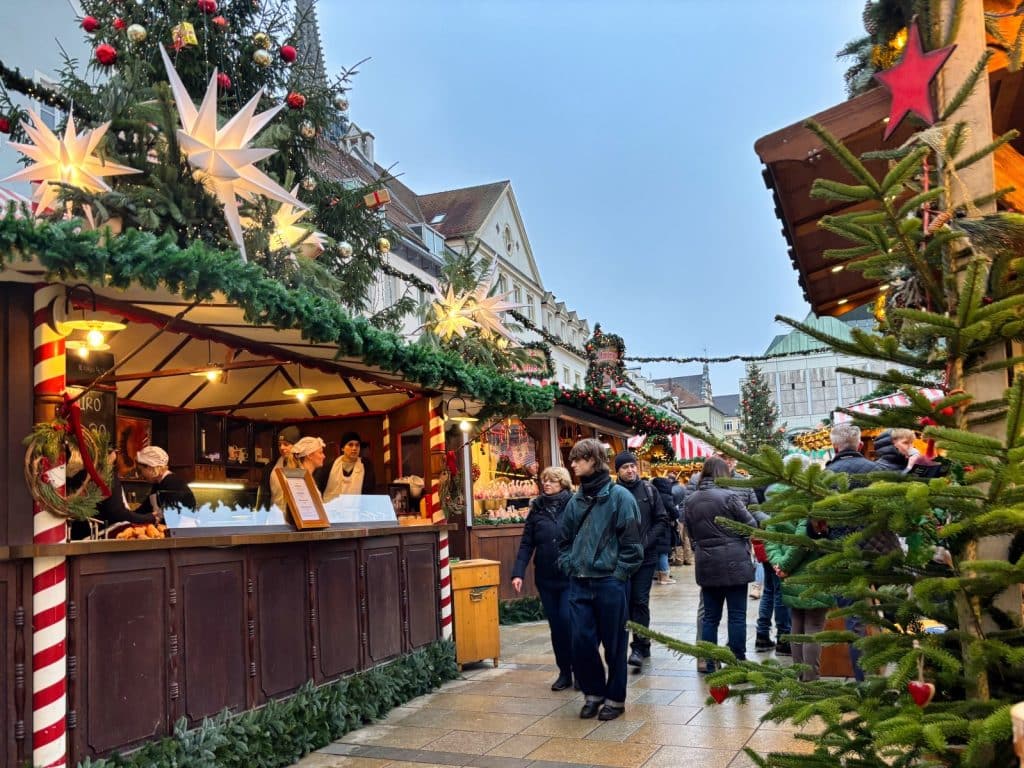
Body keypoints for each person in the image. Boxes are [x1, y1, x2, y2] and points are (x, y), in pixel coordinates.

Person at [558, 438, 642, 722]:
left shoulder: (620, 498)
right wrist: (569, 564)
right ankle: (593, 693)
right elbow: (563, 539)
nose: (572, 464)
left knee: (616, 644)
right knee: (581, 642)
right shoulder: (575, 500)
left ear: (593, 460)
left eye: (577, 459)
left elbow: (632, 546)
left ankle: (615, 699)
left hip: (610, 583)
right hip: (579, 582)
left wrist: (618, 575)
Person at [825, 423, 888, 681]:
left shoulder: (827, 476)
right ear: (860, 445)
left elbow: (817, 518)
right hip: (878, 552)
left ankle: (865, 682)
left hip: (842, 556)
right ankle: (905, 666)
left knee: (854, 621)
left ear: (834, 446)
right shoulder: (877, 471)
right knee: (890, 609)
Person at [684, 455, 758, 672]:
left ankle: (709, 661)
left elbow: (689, 532)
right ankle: (737, 661)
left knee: (710, 617)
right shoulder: (730, 496)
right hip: (735, 560)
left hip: (706, 562)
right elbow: (750, 524)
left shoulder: (691, 500)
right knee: (736, 615)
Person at [511, 466, 575, 691]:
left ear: (563, 483)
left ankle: (581, 667)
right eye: (544, 480)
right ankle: (564, 672)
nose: (546, 484)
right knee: (557, 627)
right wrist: (518, 572)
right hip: (546, 578)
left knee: (569, 622)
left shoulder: (574, 504)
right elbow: (527, 542)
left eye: (552, 481)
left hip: (570, 576)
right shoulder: (537, 509)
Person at [613, 451, 671, 670]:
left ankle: (638, 646)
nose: (630, 470)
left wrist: (645, 541)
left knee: (639, 600)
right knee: (623, 603)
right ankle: (642, 643)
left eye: (632, 466)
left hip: (645, 558)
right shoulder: (613, 493)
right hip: (620, 559)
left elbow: (662, 519)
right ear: (617, 471)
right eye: (625, 467)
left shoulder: (649, 489)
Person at [768, 515, 834, 682]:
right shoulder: (808, 502)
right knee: (814, 627)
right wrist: (784, 565)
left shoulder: (775, 498)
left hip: (790, 576)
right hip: (814, 574)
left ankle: (800, 674)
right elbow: (802, 539)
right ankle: (811, 678)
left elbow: (770, 537)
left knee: (797, 624)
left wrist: (778, 564)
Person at [68, 448, 160, 538]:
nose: (141, 475)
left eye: (140, 470)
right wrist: (148, 518)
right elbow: (117, 513)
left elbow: (171, 516)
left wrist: (169, 528)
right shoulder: (106, 476)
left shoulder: (167, 483)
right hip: (95, 533)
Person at [135, 445, 196, 518]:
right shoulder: (158, 483)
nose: (140, 475)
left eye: (141, 470)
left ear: (150, 467)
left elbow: (173, 517)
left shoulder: (173, 483)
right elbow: (144, 510)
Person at [257, 425, 301, 510]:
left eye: (286, 444)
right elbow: (263, 497)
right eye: (279, 444)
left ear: (296, 446)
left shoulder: (303, 466)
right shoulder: (269, 468)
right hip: (275, 518)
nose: (282, 448)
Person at [324, 431, 377, 501]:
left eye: (357, 445)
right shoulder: (331, 466)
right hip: (334, 509)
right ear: (342, 448)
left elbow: (370, 492)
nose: (354, 448)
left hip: (358, 510)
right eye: (350, 445)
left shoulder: (366, 465)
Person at [650, 473, 679, 583]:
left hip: (653, 525)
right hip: (664, 526)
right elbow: (674, 512)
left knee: (657, 551)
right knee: (663, 552)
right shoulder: (666, 497)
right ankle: (664, 577)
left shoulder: (652, 494)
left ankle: (658, 574)